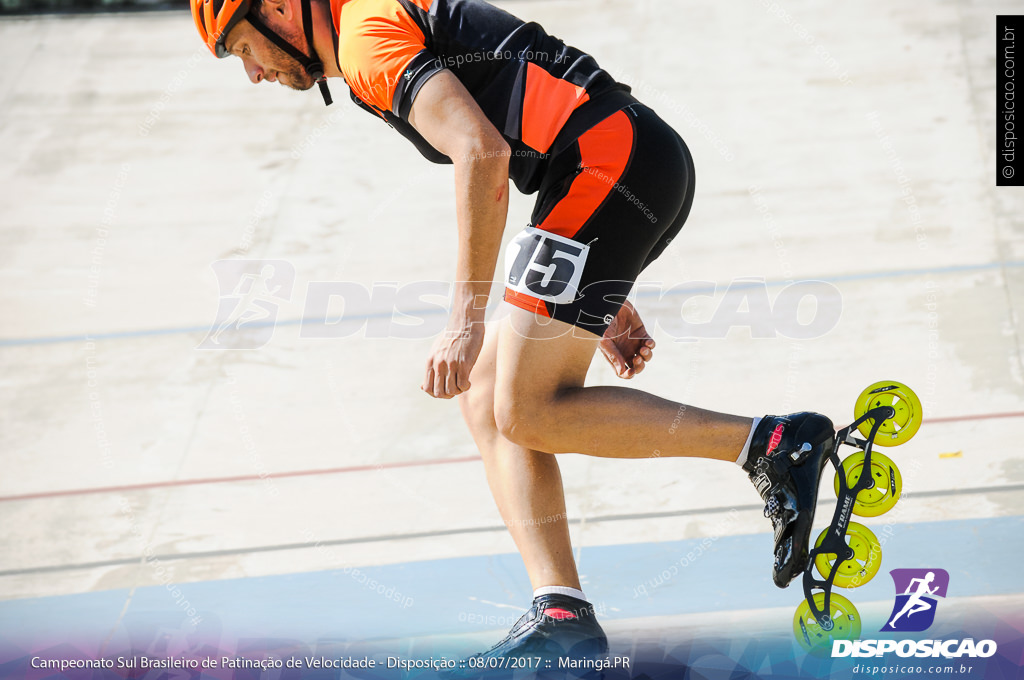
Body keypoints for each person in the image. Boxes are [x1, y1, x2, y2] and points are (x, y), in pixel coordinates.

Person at [190, 0, 837, 665]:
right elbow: (543, 108)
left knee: (527, 408)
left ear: (275, 10)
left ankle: (772, 443)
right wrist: (595, 285)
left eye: (243, 48)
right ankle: (563, 615)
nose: (253, 74)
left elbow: (483, 152)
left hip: (607, 165)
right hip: (608, 162)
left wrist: (463, 324)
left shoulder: (363, 41)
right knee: (487, 394)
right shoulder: (369, 24)